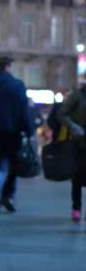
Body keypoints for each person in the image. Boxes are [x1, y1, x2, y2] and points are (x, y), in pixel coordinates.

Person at [0, 56, 33, 213]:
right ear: (8, 67)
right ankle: (7, 196)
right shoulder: (17, 85)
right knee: (14, 165)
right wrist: (29, 129)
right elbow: (24, 110)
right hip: (13, 132)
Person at [60, 76, 86, 222]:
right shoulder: (78, 95)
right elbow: (63, 114)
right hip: (79, 142)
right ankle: (76, 208)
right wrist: (72, 126)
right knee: (77, 177)